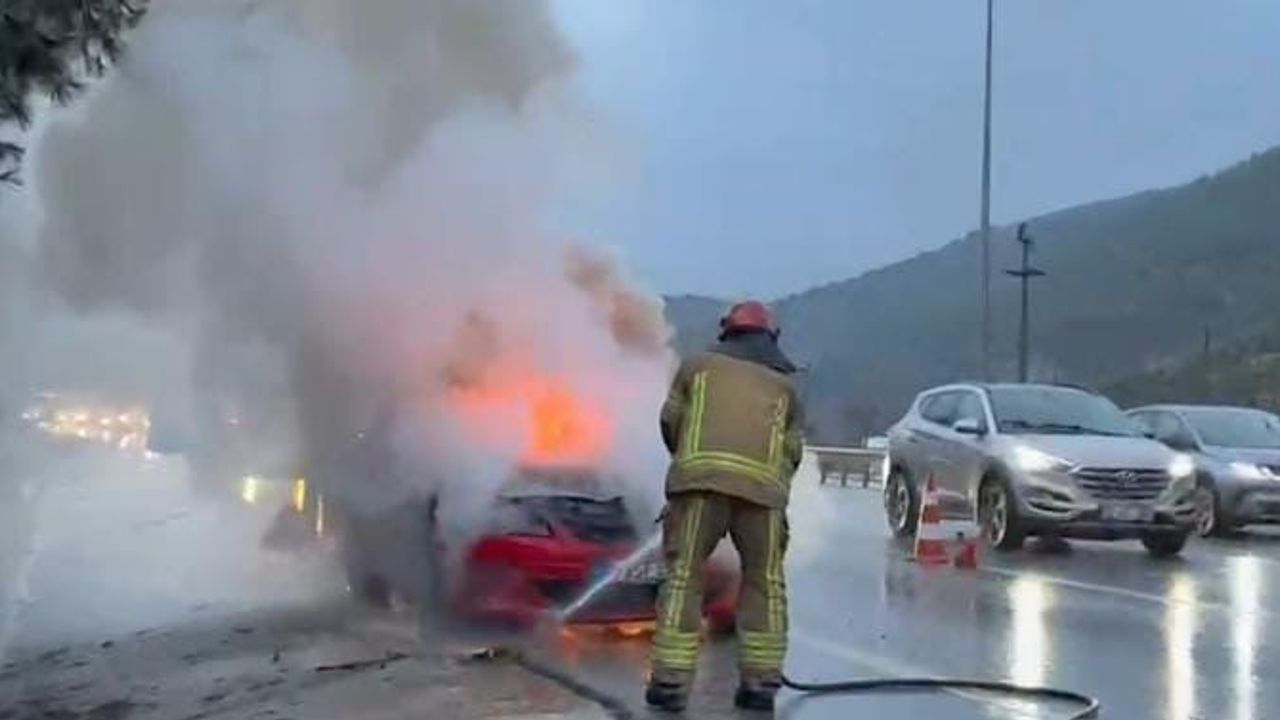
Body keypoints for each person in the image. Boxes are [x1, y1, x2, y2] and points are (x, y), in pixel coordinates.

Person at [646, 300, 806, 712]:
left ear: (727, 333)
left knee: (684, 576)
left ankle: (670, 684)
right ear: (770, 337)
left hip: (700, 488)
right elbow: (792, 450)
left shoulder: (696, 367)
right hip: (764, 498)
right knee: (765, 582)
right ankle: (761, 684)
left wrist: (689, 466)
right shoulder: (785, 385)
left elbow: (670, 421)